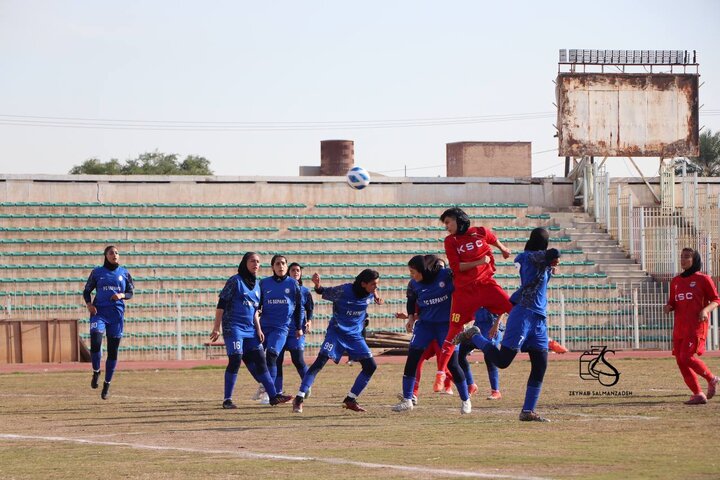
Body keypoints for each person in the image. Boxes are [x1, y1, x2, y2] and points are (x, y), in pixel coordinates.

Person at [455, 227, 560, 422]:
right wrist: (553, 259)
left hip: (539, 318)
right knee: (503, 361)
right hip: (524, 314)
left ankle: (527, 411)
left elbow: (538, 275)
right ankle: (474, 335)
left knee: (540, 364)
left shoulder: (536, 260)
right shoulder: (530, 256)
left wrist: (551, 265)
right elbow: (554, 253)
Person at [291, 269, 382, 414]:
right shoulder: (344, 290)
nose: (376, 287)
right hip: (336, 333)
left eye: (377, 285)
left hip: (355, 336)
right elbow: (322, 291)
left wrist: (376, 295)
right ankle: (299, 398)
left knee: (370, 366)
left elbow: (373, 293)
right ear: (363, 284)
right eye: (373, 285)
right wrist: (317, 285)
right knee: (318, 364)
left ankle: (350, 399)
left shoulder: (370, 292)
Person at [435, 207, 513, 376]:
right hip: (464, 292)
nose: (446, 226)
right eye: (445, 224)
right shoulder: (450, 241)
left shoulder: (480, 232)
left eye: (448, 222)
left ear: (459, 219)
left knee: (514, 309)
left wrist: (503, 249)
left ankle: (526, 343)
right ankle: (440, 373)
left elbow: (492, 238)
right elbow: (456, 267)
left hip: (486, 285)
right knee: (454, 328)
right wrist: (479, 261)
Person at [210, 252, 293, 409]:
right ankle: (227, 399)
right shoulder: (235, 281)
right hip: (233, 326)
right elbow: (221, 304)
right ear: (245, 263)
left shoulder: (257, 285)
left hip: (250, 329)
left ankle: (273, 396)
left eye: (258, 261)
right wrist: (216, 327)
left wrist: (259, 329)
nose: (256, 264)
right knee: (235, 359)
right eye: (252, 261)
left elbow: (255, 310)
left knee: (261, 360)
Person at [392, 255, 472, 414]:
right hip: (425, 326)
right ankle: (408, 399)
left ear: (423, 270)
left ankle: (466, 400)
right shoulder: (414, 284)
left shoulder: (446, 276)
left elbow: (463, 286)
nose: (411, 275)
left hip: (446, 327)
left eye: (413, 272)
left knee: (452, 364)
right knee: (412, 359)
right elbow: (411, 301)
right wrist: (410, 318)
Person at [663, 248, 720, 405]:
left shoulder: (703, 279)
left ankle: (711, 378)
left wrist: (705, 310)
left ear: (695, 260)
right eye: (681, 256)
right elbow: (673, 301)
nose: (683, 260)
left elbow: (716, 300)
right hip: (680, 327)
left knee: (686, 357)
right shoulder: (676, 281)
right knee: (681, 361)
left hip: (696, 326)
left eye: (687, 257)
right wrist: (668, 306)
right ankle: (698, 394)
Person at [83, 245, 134, 400]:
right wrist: (89, 304)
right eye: (111, 252)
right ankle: (96, 371)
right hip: (99, 313)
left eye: (117, 252)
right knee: (96, 342)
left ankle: (107, 384)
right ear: (106, 255)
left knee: (113, 351)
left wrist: (122, 295)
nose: (115, 255)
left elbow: (130, 292)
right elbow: (87, 290)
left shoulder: (124, 273)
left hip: (116, 316)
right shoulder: (97, 272)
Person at [252, 255, 302, 404]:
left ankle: (268, 393)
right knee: (255, 358)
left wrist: (299, 327)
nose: (281, 266)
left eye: (283, 264)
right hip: (264, 327)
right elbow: (258, 305)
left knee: (272, 355)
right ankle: (263, 384)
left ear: (286, 266)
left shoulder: (293, 284)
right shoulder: (264, 283)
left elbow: (299, 308)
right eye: (277, 264)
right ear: (272, 267)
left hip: (281, 328)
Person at [273, 262, 314, 396]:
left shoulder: (305, 291)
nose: (295, 272)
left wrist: (308, 321)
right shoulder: (281, 288)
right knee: (277, 360)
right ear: (288, 272)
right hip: (280, 329)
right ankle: (278, 391)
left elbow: (309, 308)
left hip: (297, 330)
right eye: (293, 270)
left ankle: (306, 385)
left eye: (298, 270)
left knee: (298, 360)